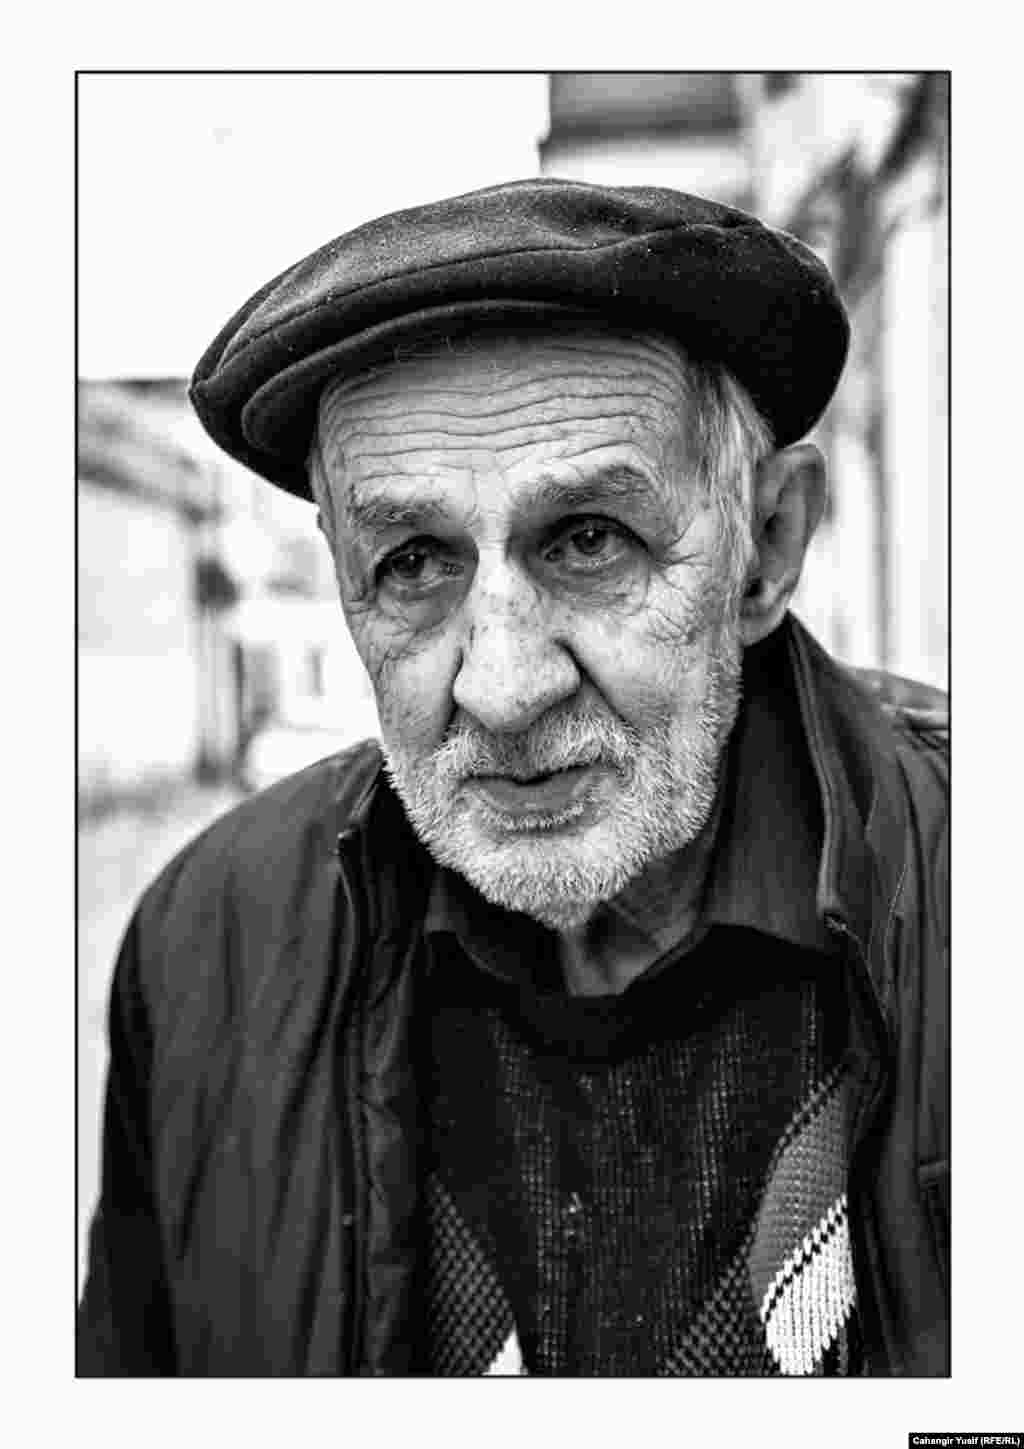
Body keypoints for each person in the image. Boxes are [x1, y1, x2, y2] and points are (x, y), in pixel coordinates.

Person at [77, 178, 948, 1377]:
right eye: (413, 562)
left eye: (588, 539)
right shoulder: (209, 945)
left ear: (767, 545)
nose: (502, 686)